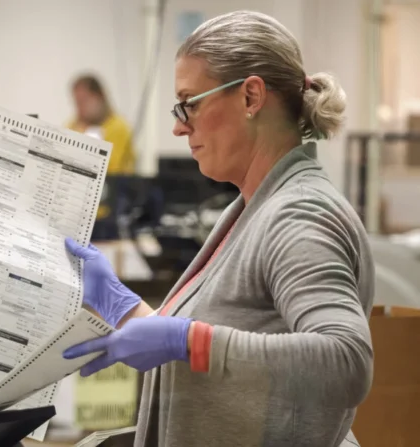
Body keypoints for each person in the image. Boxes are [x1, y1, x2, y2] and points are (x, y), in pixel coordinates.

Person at [63, 10, 374, 447]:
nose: (178, 125)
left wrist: (187, 339)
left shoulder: (298, 214)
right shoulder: (253, 207)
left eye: (190, 103)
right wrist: (121, 306)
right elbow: (232, 336)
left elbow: (346, 363)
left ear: (250, 97)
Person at [69, 74, 136, 175]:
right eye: (77, 103)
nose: (80, 108)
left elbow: (112, 170)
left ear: (100, 97)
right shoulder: (73, 125)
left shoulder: (119, 127)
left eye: (84, 101)